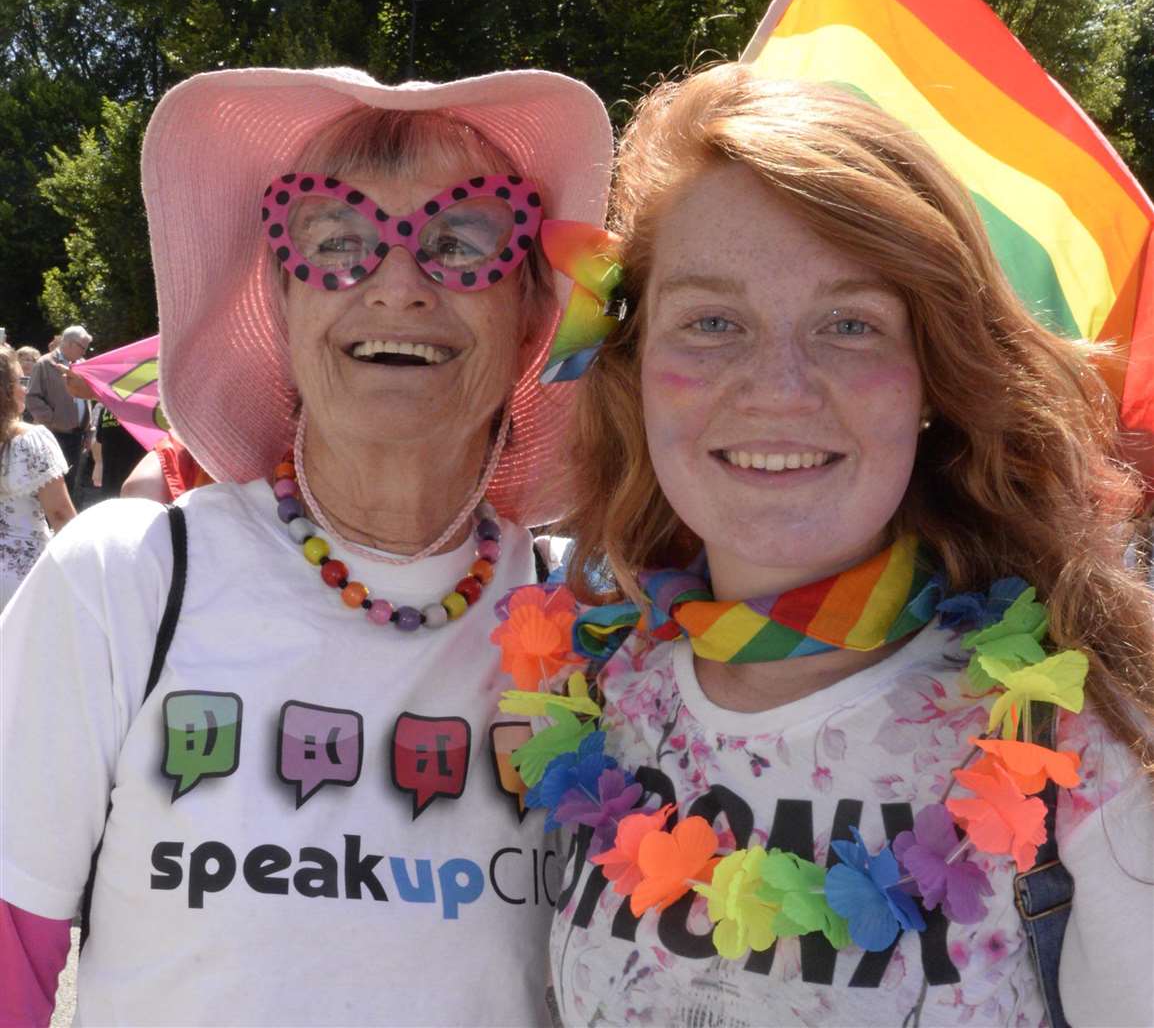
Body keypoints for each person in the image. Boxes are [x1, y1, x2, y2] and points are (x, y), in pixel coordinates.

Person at [512, 67, 1154, 1027]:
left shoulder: (1096, 744)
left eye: (849, 324)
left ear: (934, 377)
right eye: (713, 322)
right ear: (634, 368)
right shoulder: (594, 687)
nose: (779, 387)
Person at [0, 66, 612, 1025]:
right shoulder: (123, 582)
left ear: (532, 314)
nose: (398, 285)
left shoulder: (596, 628)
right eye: (339, 243)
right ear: (283, 307)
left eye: (462, 242)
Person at [0, 346, 76, 611]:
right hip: (22, 580)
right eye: (20, 381)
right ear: (5, 390)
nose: (25, 389)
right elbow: (61, 515)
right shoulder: (31, 439)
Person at [24, 324, 93, 491]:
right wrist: (53, 420)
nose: (84, 352)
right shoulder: (45, 363)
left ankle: (67, 517)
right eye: (82, 347)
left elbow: (86, 397)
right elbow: (32, 397)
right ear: (69, 343)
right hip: (55, 434)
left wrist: (88, 428)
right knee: (54, 484)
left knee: (71, 483)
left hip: (78, 435)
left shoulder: (82, 364)